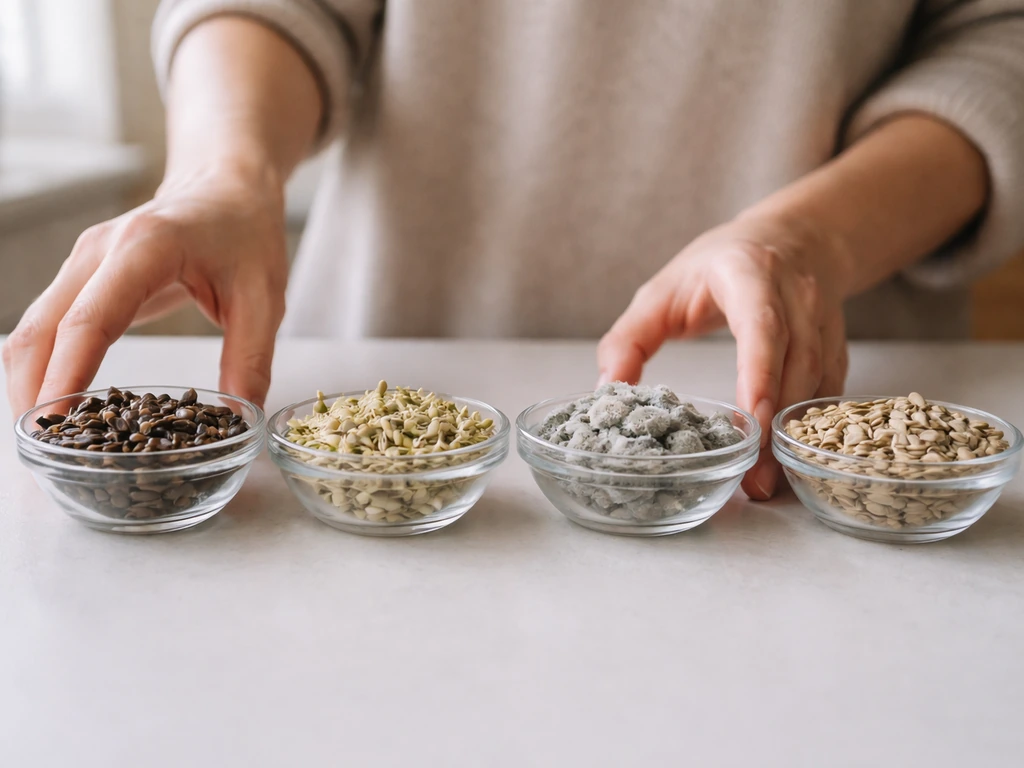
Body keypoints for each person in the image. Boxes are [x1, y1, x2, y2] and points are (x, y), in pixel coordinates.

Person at [4, 0, 1023, 499]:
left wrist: (811, 235)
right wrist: (223, 173)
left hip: (812, 398)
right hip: (375, 369)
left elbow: (999, 39)